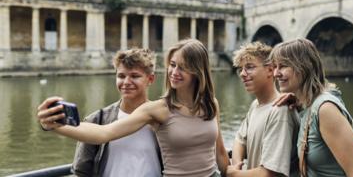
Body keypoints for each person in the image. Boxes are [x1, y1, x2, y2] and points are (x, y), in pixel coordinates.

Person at [37, 39, 229, 177]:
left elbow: (220, 152)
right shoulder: (158, 109)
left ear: (198, 71)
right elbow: (104, 133)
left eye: (183, 67)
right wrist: (55, 125)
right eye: (172, 65)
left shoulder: (211, 103)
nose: (174, 72)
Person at [271, 38, 353, 177]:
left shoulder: (325, 109)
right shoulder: (308, 105)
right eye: (275, 67)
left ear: (304, 67)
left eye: (283, 66)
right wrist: (298, 103)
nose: (276, 73)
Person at [72, 48, 163, 177]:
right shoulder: (97, 120)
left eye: (135, 76)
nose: (126, 82)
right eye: (121, 76)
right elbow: (82, 170)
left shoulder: (162, 118)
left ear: (151, 79)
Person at [227, 42, 299, 177]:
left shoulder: (280, 110)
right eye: (241, 69)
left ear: (270, 70)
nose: (242, 74)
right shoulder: (255, 105)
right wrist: (237, 166)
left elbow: (269, 173)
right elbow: (239, 140)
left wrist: (234, 174)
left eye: (249, 67)